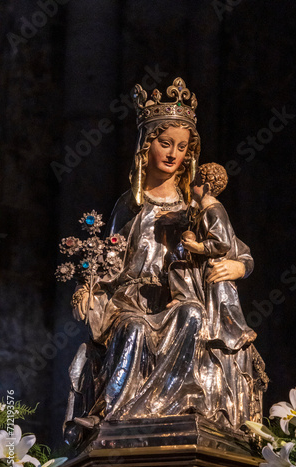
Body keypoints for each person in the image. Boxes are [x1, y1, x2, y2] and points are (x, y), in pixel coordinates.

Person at [64, 78, 264, 445]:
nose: (173, 153)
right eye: (165, 143)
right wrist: (88, 290)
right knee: (135, 330)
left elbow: (238, 251)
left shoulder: (196, 204)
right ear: (146, 145)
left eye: (182, 147)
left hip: (179, 301)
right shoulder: (129, 206)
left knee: (192, 316)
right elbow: (107, 263)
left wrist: (237, 267)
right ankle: (116, 416)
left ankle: (182, 406)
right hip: (132, 304)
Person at [169, 162, 268, 429]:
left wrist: (241, 266)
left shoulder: (211, 210)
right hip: (186, 297)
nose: (190, 186)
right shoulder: (197, 212)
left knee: (221, 331)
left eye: (194, 182)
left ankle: (216, 415)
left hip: (212, 287)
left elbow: (232, 246)